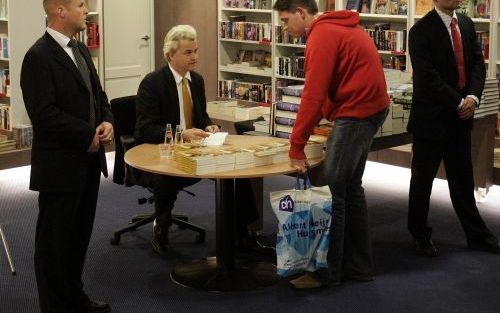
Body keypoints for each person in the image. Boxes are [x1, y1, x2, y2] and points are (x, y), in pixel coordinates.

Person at [273, 0, 390, 288]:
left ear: (302, 12)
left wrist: (296, 145)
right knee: (350, 188)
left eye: (287, 20)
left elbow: (313, 93)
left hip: (357, 112)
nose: (285, 28)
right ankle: (358, 267)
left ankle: (328, 273)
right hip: (371, 108)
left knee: (331, 193)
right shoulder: (340, 26)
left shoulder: (322, 34)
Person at [20, 1, 113, 312]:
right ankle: (54, 306)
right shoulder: (37, 57)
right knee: (53, 244)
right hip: (60, 166)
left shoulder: (81, 49)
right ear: (59, 10)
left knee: (78, 238)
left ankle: (75, 297)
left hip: (89, 161)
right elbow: (43, 114)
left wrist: (107, 121)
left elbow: (99, 95)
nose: (86, 10)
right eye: (80, 4)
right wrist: (86, 133)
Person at [135, 25, 260, 255]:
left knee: (237, 168)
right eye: (188, 52)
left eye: (196, 51)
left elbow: (201, 116)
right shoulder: (152, 83)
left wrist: (208, 125)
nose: (195, 57)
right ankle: (161, 225)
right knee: (165, 177)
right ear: (170, 55)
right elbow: (145, 129)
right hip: (167, 151)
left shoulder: (197, 80)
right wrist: (182, 133)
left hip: (198, 148)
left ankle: (243, 232)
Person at [407, 0, 500, 257]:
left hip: (461, 118)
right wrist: (458, 101)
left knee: (463, 178)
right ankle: (420, 235)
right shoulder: (420, 31)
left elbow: (477, 65)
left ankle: (476, 234)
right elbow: (427, 78)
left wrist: (473, 98)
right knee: (422, 180)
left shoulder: (467, 25)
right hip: (431, 119)